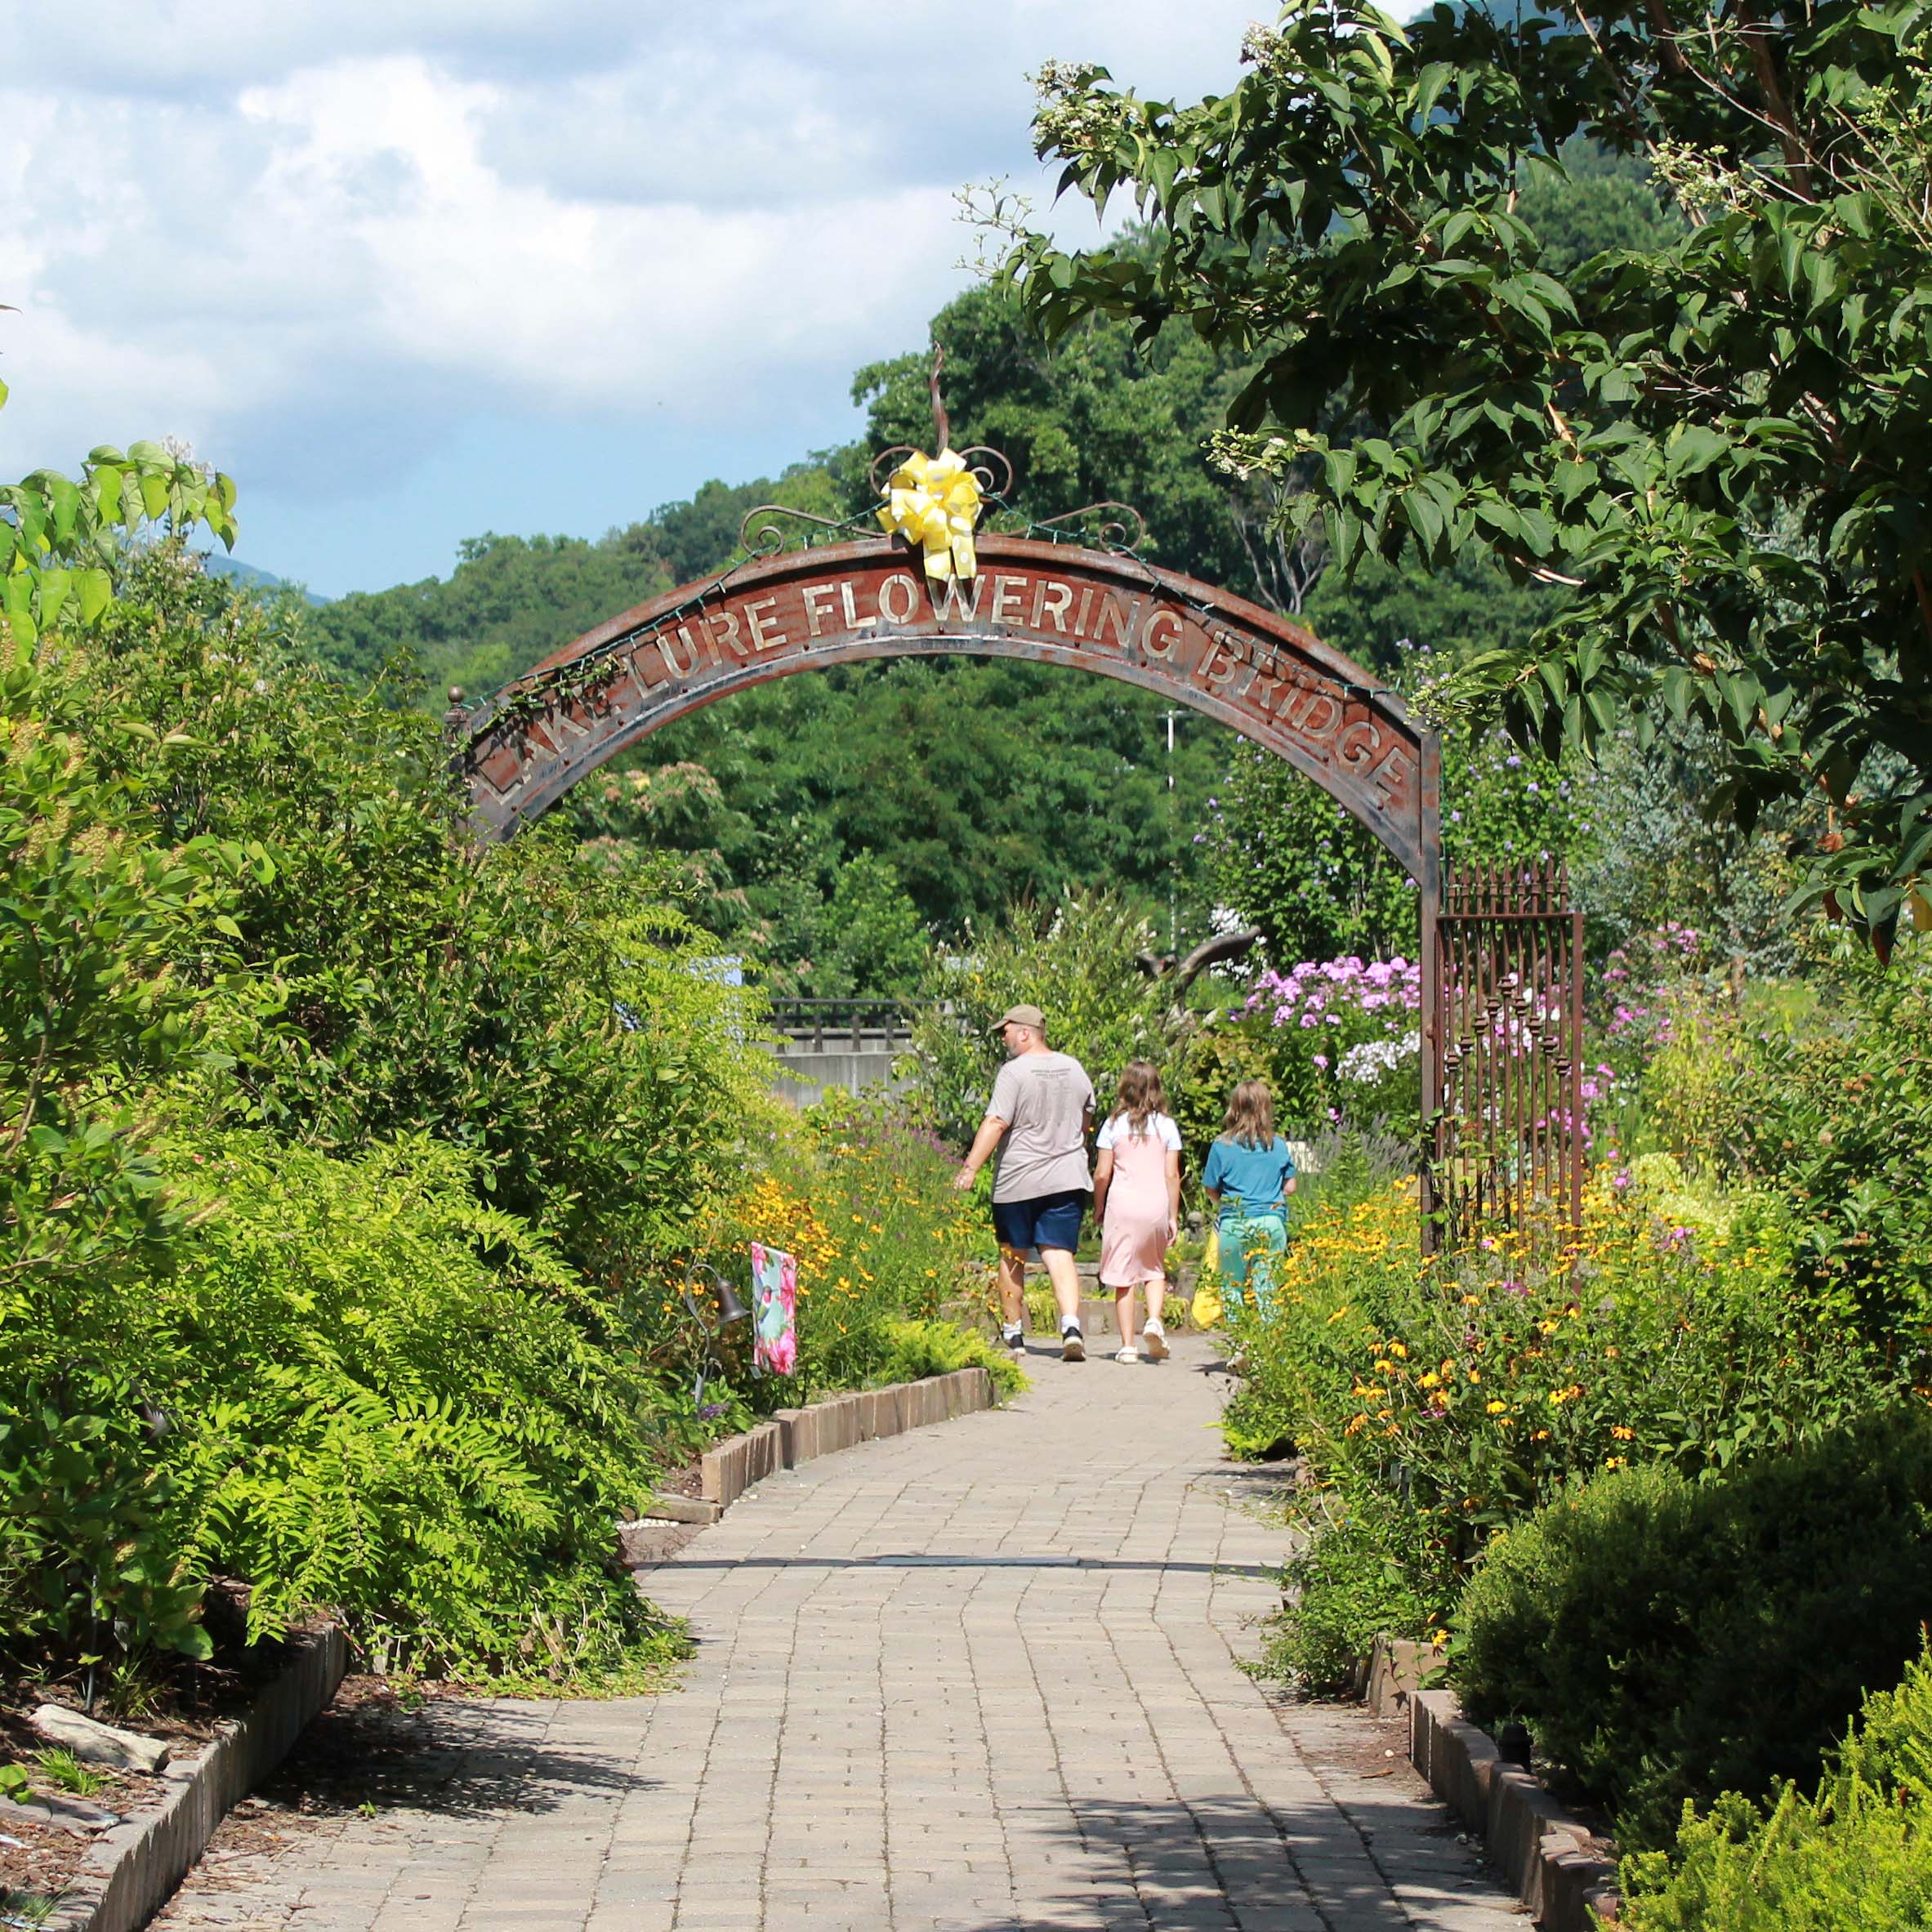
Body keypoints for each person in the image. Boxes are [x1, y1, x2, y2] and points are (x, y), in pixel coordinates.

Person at [952, 1004, 1095, 1360]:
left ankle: (1014, 1336)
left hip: (1020, 1179)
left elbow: (996, 1122)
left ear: (1026, 1033)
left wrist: (970, 1168)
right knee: (1060, 1253)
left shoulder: (1013, 1073)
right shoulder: (1074, 1068)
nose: (1003, 1037)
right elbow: (1087, 1116)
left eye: (1007, 1030)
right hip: (1068, 1177)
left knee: (1012, 1254)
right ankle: (1071, 1327)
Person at [1091, 1060, 1183, 1363]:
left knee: (1123, 1276)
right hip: (1155, 1203)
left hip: (1123, 1205)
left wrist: (1099, 1205)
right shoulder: (1167, 1126)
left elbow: (1102, 1173)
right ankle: (1154, 1319)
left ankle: (1128, 1345)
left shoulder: (1113, 1125)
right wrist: (1172, 1215)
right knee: (1154, 1269)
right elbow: (1172, 1175)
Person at [1199, 1078, 1296, 1314]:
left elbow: (1210, 1188)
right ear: (1266, 1108)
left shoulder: (1222, 1146)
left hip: (1235, 1223)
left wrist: (1226, 1200)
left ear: (1234, 1108)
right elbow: (1291, 1187)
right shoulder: (1278, 1145)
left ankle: (1239, 1346)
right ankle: (1269, 1347)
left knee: (1231, 1285)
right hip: (1271, 1222)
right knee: (1267, 1288)